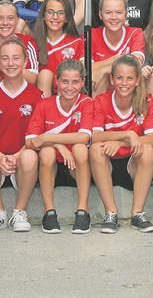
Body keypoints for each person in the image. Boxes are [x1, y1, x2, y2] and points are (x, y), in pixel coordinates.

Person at [0, 38, 44, 233]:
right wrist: (1, 157)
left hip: (22, 161)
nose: (11, 63)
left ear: (25, 62)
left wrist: (15, 157)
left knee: (31, 156)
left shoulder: (37, 96)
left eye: (16, 58)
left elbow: (34, 139)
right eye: (5, 59)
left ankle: (19, 212)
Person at [91, 55, 153, 234]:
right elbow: (95, 137)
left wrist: (120, 142)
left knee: (148, 151)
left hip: (132, 164)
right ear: (112, 79)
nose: (124, 83)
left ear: (137, 80)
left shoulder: (146, 102)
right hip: (108, 165)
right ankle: (110, 213)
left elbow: (152, 139)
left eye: (130, 78)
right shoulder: (102, 101)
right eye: (119, 78)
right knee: (96, 150)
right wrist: (127, 135)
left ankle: (137, 214)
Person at [25, 61, 93, 233]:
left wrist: (48, 137)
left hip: (76, 167)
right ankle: (49, 212)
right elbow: (31, 140)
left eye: (75, 82)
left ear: (83, 82)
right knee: (47, 152)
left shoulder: (86, 102)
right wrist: (57, 144)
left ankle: (83, 211)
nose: (69, 87)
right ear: (56, 81)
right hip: (51, 166)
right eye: (65, 81)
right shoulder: (45, 104)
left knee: (79, 148)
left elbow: (84, 137)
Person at [33, 0, 83, 97]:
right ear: (43, 15)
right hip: (42, 95)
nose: (55, 17)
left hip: (69, 95)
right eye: (50, 12)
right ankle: (45, 111)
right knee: (45, 75)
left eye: (60, 13)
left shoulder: (77, 42)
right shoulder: (34, 43)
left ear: (66, 18)